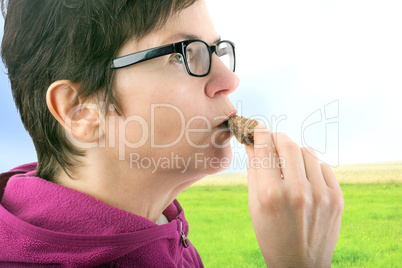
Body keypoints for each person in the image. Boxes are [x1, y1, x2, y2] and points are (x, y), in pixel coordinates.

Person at [0, 0, 344, 266]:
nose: (228, 80)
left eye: (214, 50)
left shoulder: (159, 226)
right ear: (81, 110)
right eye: (182, 55)